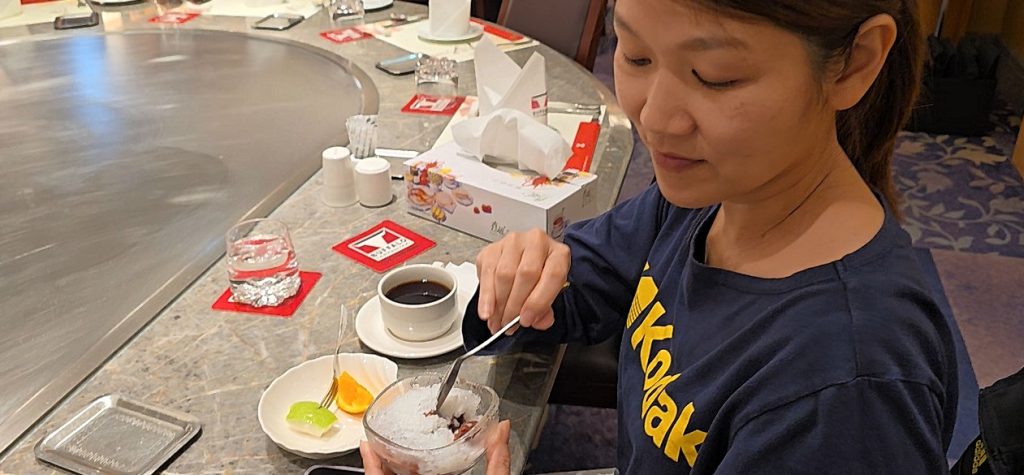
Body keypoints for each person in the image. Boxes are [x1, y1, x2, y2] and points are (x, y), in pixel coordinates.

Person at [366, 0, 960, 472]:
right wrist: (526, 276)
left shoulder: (846, 391)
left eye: (715, 77)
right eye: (636, 55)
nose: (653, 119)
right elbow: (590, 276)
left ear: (854, 64)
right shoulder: (714, 195)